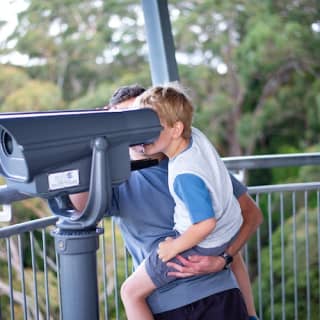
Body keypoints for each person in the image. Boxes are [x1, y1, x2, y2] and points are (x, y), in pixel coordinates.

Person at [69, 84, 262, 319]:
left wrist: (224, 259)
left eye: (142, 118)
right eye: (124, 121)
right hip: (168, 303)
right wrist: (90, 142)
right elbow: (81, 206)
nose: (136, 131)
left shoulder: (191, 166)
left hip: (220, 292)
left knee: (130, 292)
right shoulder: (118, 177)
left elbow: (249, 215)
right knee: (130, 292)